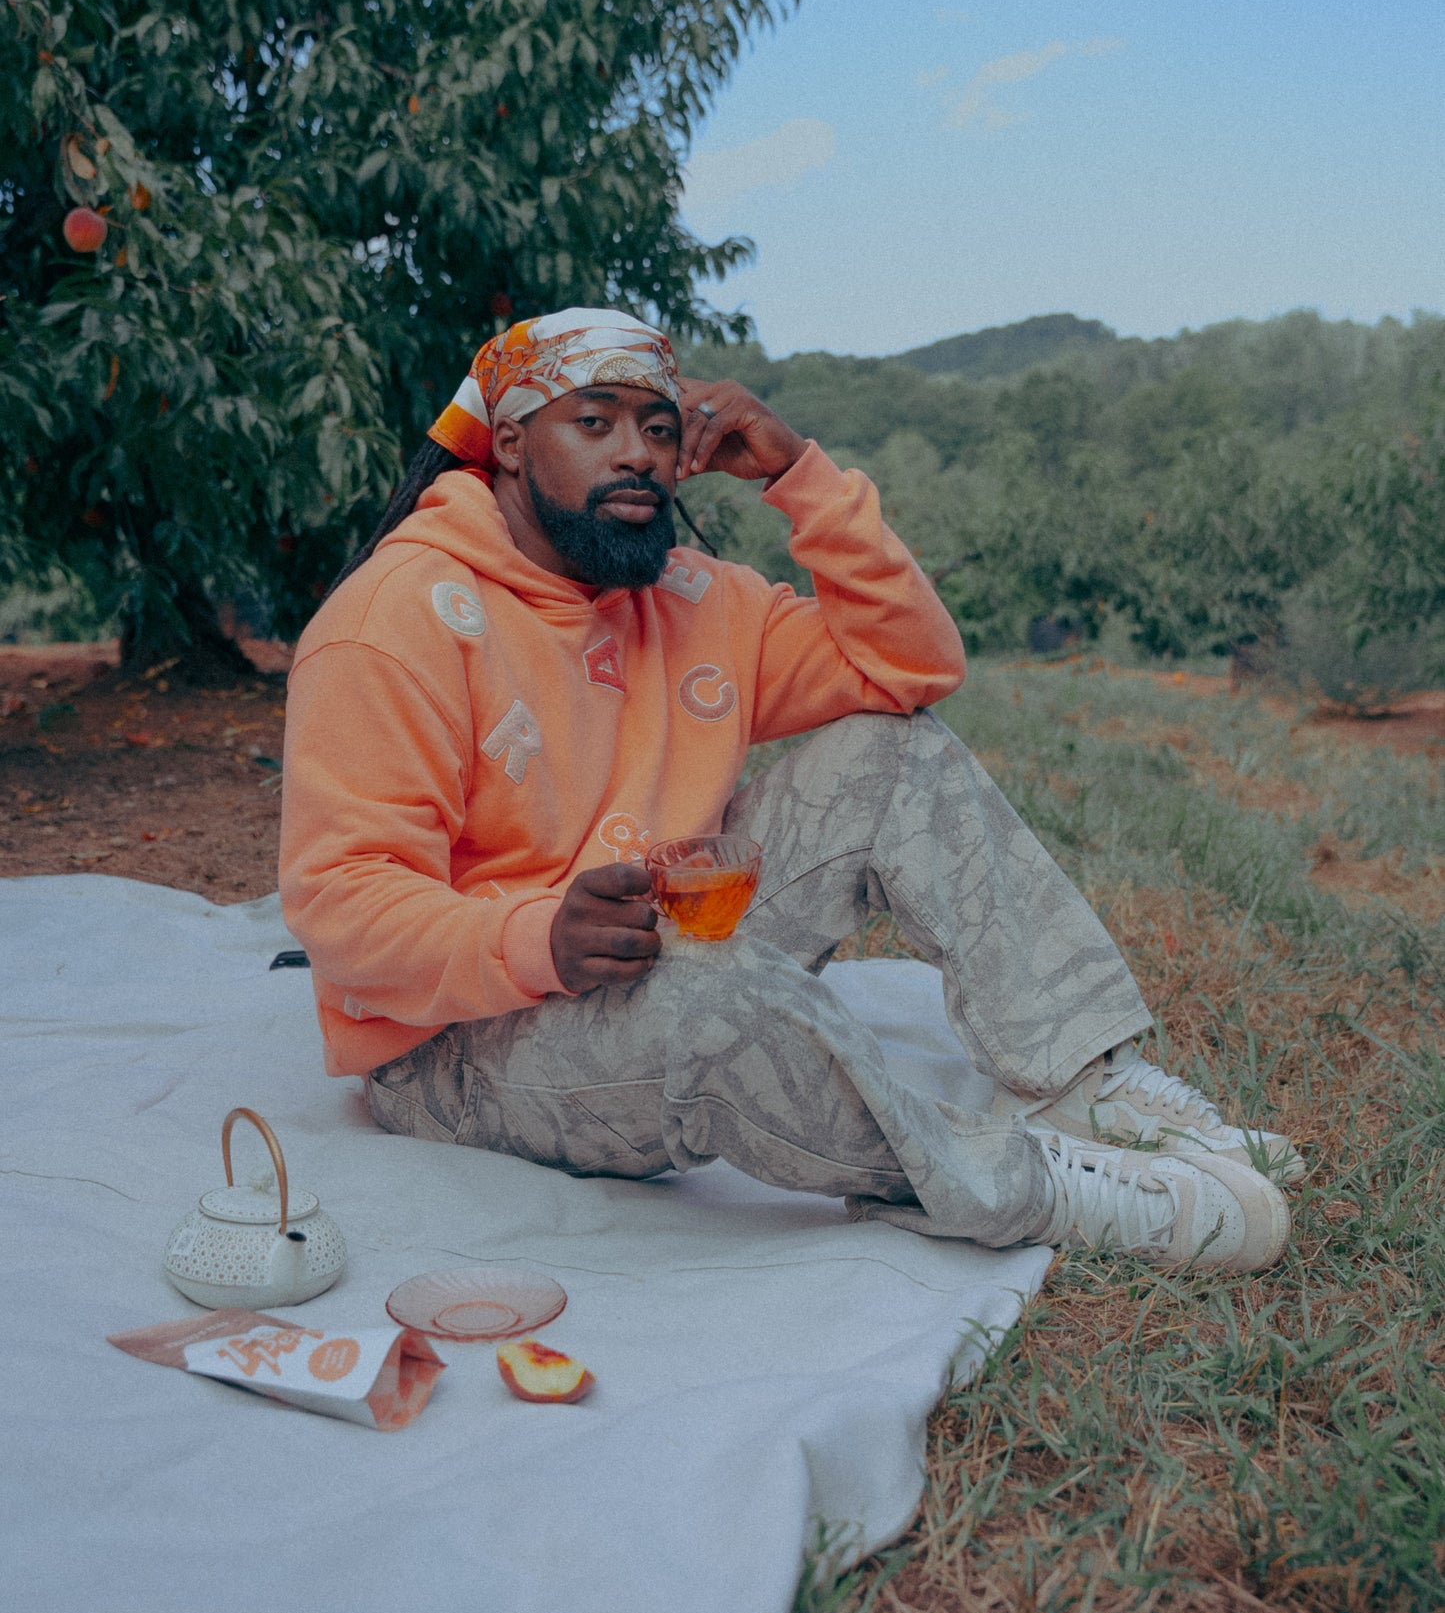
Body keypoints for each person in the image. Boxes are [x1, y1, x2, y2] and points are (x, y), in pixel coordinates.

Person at [280, 307, 1300, 1272]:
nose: (635, 452)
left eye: (656, 425)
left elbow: (908, 665)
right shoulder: (395, 620)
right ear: (507, 445)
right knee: (710, 993)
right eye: (592, 423)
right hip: (459, 1047)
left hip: (654, 947)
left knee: (887, 748)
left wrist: (799, 475)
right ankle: (1036, 1188)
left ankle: (1088, 1087)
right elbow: (340, 901)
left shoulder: (686, 597)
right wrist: (535, 939)